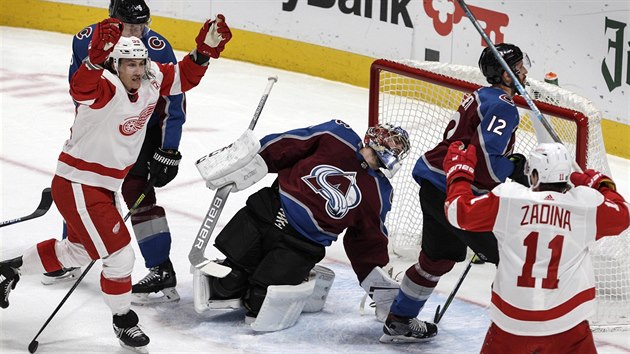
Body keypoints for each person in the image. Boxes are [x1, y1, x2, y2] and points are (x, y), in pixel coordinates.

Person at [0, 15, 231, 352]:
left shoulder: (151, 78)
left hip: (104, 185)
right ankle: (124, 321)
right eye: (129, 64)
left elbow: (181, 77)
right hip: (79, 182)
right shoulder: (104, 89)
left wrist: (203, 52)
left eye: (141, 63)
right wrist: (93, 60)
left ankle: (8, 268)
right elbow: (81, 88)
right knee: (120, 255)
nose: (137, 71)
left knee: (79, 251)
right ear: (114, 65)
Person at [380, 43, 531, 343]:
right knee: (514, 257)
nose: (525, 71)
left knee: (438, 259)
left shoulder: (482, 95)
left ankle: (399, 320)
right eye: (519, 67)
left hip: (436, 185)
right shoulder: (503, 104)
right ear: (505, 73)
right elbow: (487, 162)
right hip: (457, 192)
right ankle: (516, 337)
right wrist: (514, 168)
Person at [195, 119, 411, 328]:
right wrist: (248, 161)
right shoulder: (337, 136)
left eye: (396, 146)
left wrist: (380, 289)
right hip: (266, 214)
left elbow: (367, 242)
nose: (391, 146)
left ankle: (297, 281)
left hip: (298, 246)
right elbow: (287, 145)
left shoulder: (379, 192)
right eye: (391, 140)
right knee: (226, 285)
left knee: (260, 302)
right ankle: (260, 277)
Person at [43, 0, 187, 305]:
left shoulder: (158, 48)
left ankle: (160, 267)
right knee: (84, 183)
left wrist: (169, 147)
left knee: (137, 192)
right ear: (112, 20)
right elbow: (80, 90)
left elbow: (175, 101)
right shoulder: (87, 40)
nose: (137, 32)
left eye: (142, 26)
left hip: (142, 128)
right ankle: (73, 250)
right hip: (102, 127)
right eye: (130, 26)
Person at [442, 141, 629, 353]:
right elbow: (624, 215)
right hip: (567, 326)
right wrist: (601, 185)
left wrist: (459, 174)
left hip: (511, 324)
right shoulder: (585, 205)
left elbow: (457, 212)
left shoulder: (509, 198)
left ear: (536, 175)